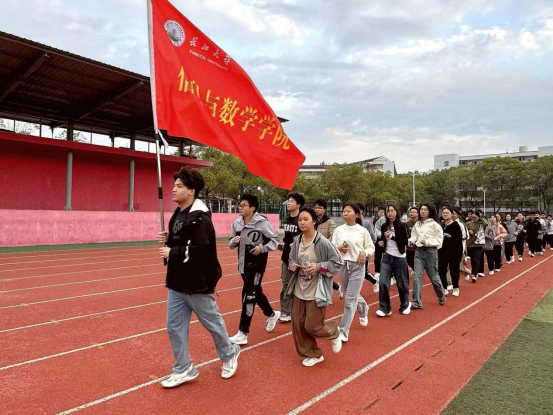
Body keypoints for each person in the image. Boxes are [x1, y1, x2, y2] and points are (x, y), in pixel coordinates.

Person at [157, 168, 240, 388]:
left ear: (191, 190)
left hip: (197, 283)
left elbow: (200, 250)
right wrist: (169, 238)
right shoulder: (178, 213)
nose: (173, 189)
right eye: (174, 185)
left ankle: (229, 354)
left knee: (212, 323)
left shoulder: (201, 218)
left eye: (179, 186)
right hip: (176, 282)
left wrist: (172, 252)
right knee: (174, 326)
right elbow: (181, 239)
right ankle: (183, 368)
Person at [286, 208, 344, 367]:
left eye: (306, 219)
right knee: (298, 326)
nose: (302, 222)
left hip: (317, 290)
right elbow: (291, 259)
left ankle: (334, 331)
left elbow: (338, 262)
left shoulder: (322, 242)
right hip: (299, 289)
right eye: (300, 220)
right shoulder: (297, 241)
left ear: (314, 221)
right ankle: (314, 354)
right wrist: (292, 264)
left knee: (312, 326)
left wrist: (318, 267)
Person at [228, 194, 281, 345]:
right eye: (239, 205)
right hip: (243, 264)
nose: (240, 207)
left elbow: (275, 240)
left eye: (243, 205)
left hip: (257, 265)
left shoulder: (262, 223)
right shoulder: (237, 223)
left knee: (248, 295)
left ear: (252, 208)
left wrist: (262, 248)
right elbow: (230, 243)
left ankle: (243, 332)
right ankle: (271, 313)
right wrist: (234, 241)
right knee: (255, 291)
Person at [332, 203, 375, 342]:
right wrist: (338, 248)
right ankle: (364, 308)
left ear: (356, 214)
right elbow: (332, 247)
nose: (345, 213)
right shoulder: (339, 230)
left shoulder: (362, 231)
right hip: (344, 265)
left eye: (348, 211)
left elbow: (371, 247)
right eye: (343, 211)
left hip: (358, 266)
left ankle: (343, 331)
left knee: (349, 300)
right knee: (352, 295)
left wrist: (364, 253)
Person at [376, 204, 411, 316]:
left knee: (401, 284)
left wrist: (392, 237)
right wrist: (382, 242)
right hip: (387, 256)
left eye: (392, 210)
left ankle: (405, 305)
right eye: (388, 211)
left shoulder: (402, 225)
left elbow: (405, 241)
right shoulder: (384, 226)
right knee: (383, 282)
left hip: (399, 257)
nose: (390, 213)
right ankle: (385, 308)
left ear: (396, 212)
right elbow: (384, 239)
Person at [409, 204, 446, 308]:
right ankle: (416, 301)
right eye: (421, 209)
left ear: (430, 212)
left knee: (433, 277)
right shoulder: (418, 224)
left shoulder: (435, 224)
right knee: (417, 276)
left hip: (431, 252)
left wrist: (427, 242)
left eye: (425, 210)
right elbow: (414, 235)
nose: (423, 211)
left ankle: (441, 294)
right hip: (419, 251)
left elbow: (439, 240)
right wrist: (411, 240)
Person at [279, 192, 305, 322]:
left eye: (292, 201)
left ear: (298, 204)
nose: (288, 203)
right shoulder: (286, 219)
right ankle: (285, 312)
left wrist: (298, 243)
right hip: (286, 257)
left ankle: (301, 310)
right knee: (286, 284)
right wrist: (283, 244)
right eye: (288, 201)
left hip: (300, 258)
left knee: (301, 285)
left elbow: (308, 236)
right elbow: (287, 237)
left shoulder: (302, 220)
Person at [313, 199, 344, 299]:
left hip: (324, 253)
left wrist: (325, 245)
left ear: (324, 209)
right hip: (312, 252)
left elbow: (333, 236)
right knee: (314, 275)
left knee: (324, 275)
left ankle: (332, 289)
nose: (317, 209)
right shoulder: (312, 220)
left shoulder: (329, 222)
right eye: (316, 207)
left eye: (319, 208)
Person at [438, 207, 463, 297]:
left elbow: (458, 240)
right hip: (442, 251)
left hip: (454, 252)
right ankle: (444, 288)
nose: (445, 214)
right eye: (443, 213)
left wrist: (460, 253)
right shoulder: (440, 225)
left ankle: (455, 287)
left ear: (452, 214)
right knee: (441, 270)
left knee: (454, 270)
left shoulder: (456, 225)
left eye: (447, 213)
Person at [356, 203, 379, 292]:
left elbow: (373, 238)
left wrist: (367, 249)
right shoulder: (349, 223)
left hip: (363, 252)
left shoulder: (366, 223)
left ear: (361, 211)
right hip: (352, 253)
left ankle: (374, 281)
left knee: (364, 273)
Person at [465, 211, 487, 283]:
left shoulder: (481, 224)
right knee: (472, 259)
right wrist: (469, 231)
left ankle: (474, 274)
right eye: (472, 217)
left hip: (478, 244)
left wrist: (480, 218)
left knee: (476, 259)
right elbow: (464, 231)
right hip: (470, 244)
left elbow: (486, 223)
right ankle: (474, 272)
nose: (473, 219)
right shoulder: (468, 223)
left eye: (475, 217)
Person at [405, 207, 419, 275]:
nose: (412, 213)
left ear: (417, 213)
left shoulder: (420, 223)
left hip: (419, 246)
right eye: (411, 212)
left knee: (418, 260)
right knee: (409, 260)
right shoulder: (408, 223)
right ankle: (414, 269)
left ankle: (418, 271)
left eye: (413, 212)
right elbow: (406, 233)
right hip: (410, 246)